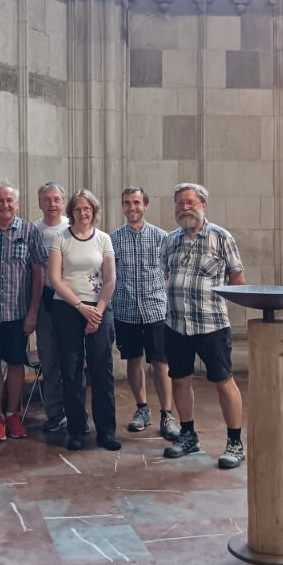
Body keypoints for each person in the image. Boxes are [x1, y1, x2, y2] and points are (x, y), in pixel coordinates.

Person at [161, 183, 246, 468]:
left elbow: (238, 280)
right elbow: (165, 274)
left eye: (190, 202)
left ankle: (234, 442)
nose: (185, 208)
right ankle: (188, 435)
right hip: (176, 324)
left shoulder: (221, 237)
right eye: (180, 203)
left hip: (212, 324)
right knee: (180, 380)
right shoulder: (170, 240)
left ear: (203, 205)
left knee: (223, 381)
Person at [48, 189, 119, 452]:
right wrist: (80, 307)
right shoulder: (61, 238)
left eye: (87, 208)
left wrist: (96, 311)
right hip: (67, 308)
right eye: (77, 209)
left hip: (99, 308)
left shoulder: (103, 239)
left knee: (102, 370)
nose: (82, 213)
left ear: (94, 211)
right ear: (71, 212)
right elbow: (55, 278)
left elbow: (110, 279)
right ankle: (76, 430)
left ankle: (106, 431)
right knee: (71, 370)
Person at [110, 186, 180, 441]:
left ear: (145, 205)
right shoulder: (113, 239)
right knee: (133, 360)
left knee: (161, 363)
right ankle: (142, 409)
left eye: (136, 203)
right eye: (127, 203)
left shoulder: (163, 237)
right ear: (123, 206)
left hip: (155, 310)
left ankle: (167, 414)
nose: (132, 208)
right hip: (126, 309)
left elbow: (170, 272)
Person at [0, 181, 46, 442]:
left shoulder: (29, 231)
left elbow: (39, 273)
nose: (4, 204)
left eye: (9, 200)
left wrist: (33, 312)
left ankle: (13, 414)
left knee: (17, 363)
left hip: (18, 312)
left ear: (16, 204)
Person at [33, 182, 69, 432]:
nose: (52, 204)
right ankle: (55, 412)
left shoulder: (72, 227)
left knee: (73, 359)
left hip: (70, 300)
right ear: (40, 203)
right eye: (47, 199)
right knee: (49, 359)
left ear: (63, 202)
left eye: (56, 199)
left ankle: (75, 410)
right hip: (45, 300)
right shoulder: (34, 230)